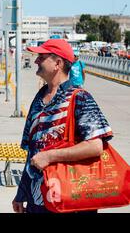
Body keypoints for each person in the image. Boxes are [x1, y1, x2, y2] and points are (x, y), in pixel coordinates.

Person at [12, 39, 113, 213]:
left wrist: (50, 156)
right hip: (38, 200)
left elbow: (96, 147)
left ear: (57, 63)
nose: (36, 61)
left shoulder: (80, 98)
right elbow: (33, 152)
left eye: (41, 57)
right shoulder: (39, 98)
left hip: (70, 199)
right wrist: (21, 193)